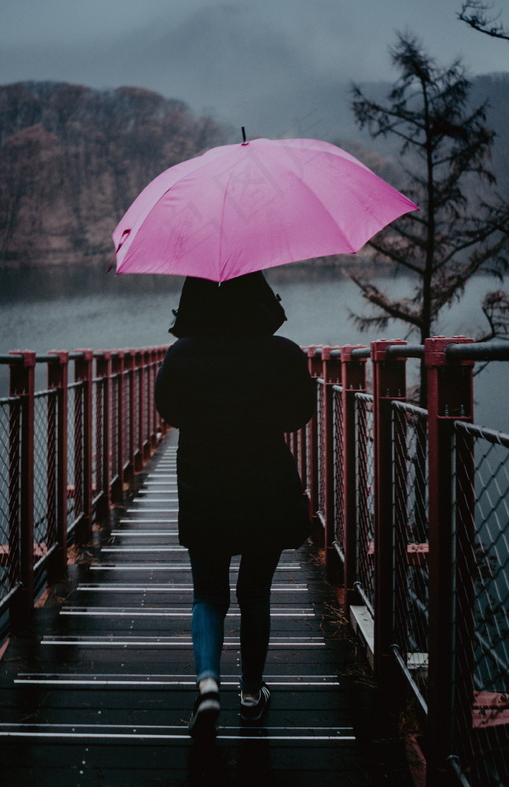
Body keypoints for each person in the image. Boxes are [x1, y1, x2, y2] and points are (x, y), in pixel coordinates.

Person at [154, 272, 317, 739]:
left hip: (203, 483)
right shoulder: (283, 353)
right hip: (264, 485)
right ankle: (249, 693)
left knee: (207, 592)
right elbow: (298, 415)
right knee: (254, 591)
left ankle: (207, 683)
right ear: (259, 297)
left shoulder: (180, 355)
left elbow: (171, 411)